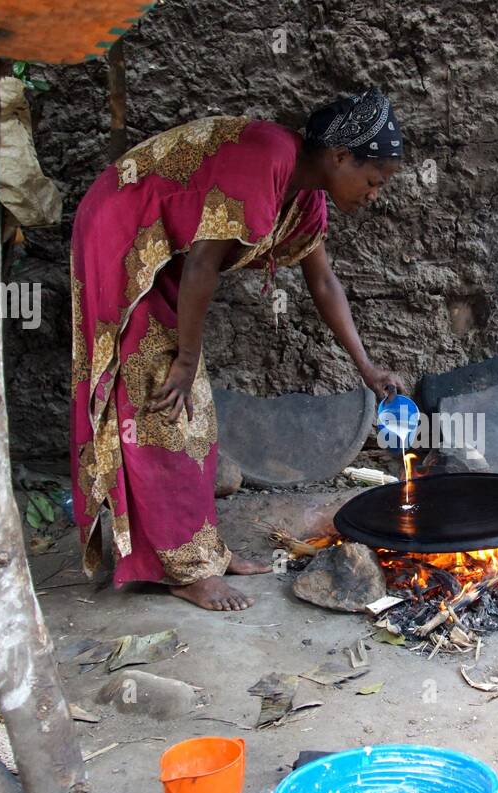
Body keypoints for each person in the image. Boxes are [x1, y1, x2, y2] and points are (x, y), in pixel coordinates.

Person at [69, 90, 405, 612]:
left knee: (193, 410)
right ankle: (183, 571)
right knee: (159, 404)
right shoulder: (267, 158)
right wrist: (183, 360)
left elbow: (323, 284)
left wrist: (366, 366)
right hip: (123, 242)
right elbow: (204, 264)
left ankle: (202, 550)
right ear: (341, 157)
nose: (374, 195)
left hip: (165, 262)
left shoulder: (305, 196)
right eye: (374, 181)